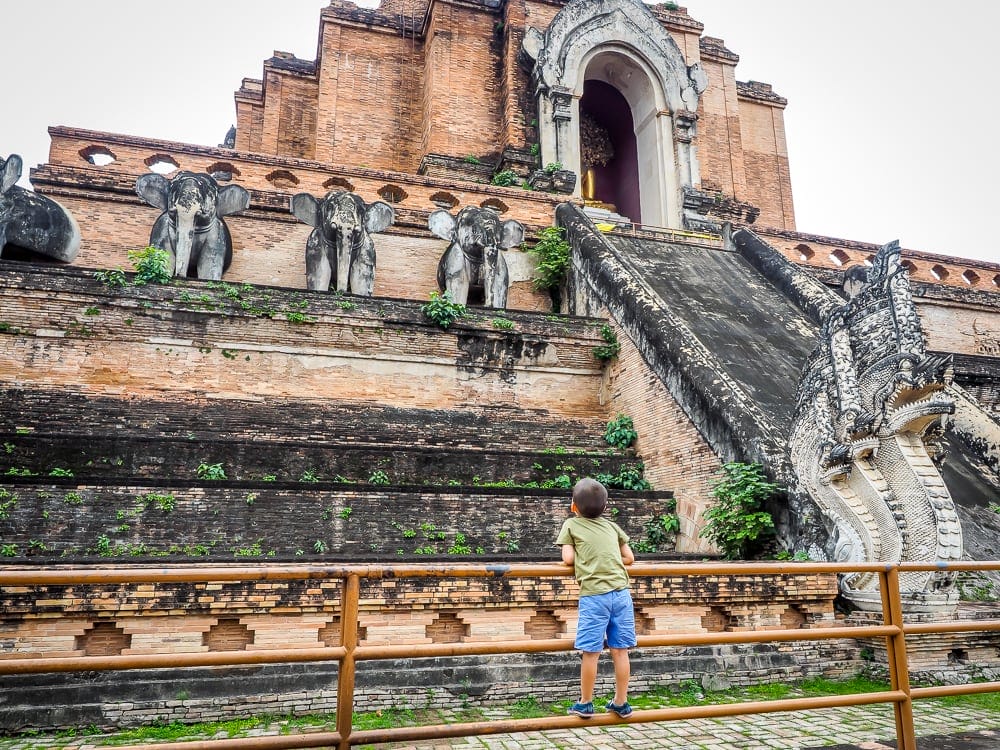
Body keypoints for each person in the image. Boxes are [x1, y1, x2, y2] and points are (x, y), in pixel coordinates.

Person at [556, 477, 636, 719]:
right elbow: (629, 558)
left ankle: (585, 702)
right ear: (605, 507)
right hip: (621, 594)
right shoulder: (612, 527)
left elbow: (568, 559)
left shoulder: (571, 526)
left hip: (595, 596)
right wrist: (607, 561)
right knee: (621, 651)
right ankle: (621, 702)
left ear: (573, 506)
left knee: (591, 652)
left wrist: (588, 562)